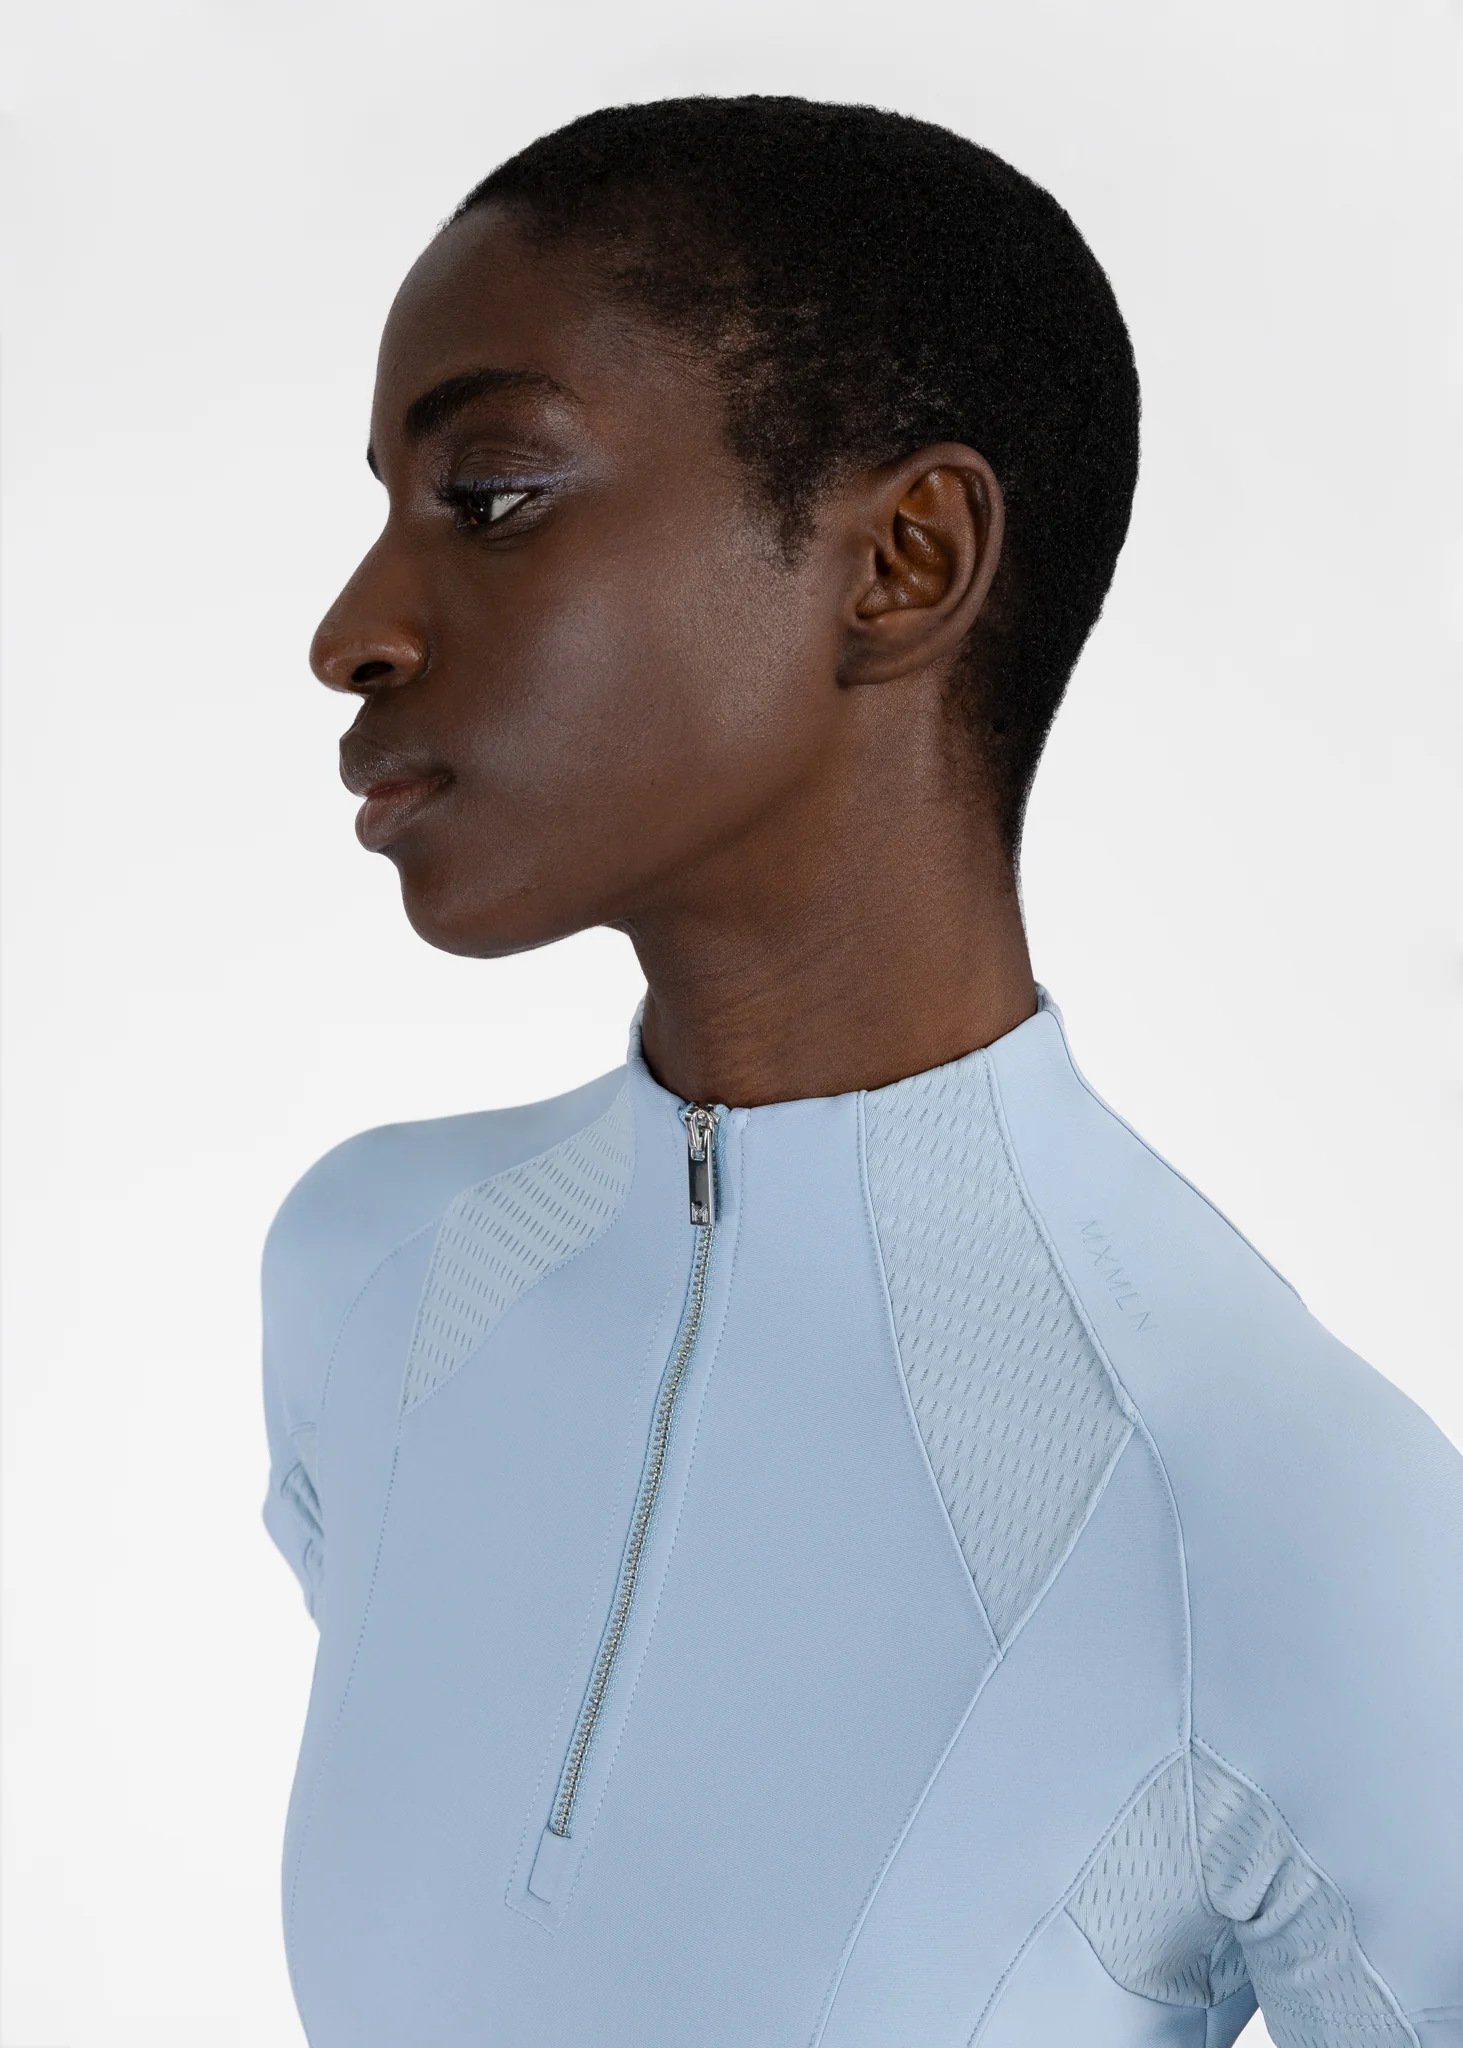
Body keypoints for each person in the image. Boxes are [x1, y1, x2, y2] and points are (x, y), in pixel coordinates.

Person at [262, 96, 1463, 2048]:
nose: (351, 631)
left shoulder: (1277, 1524)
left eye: (488, 495)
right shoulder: (372, 1276)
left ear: (902, 563)